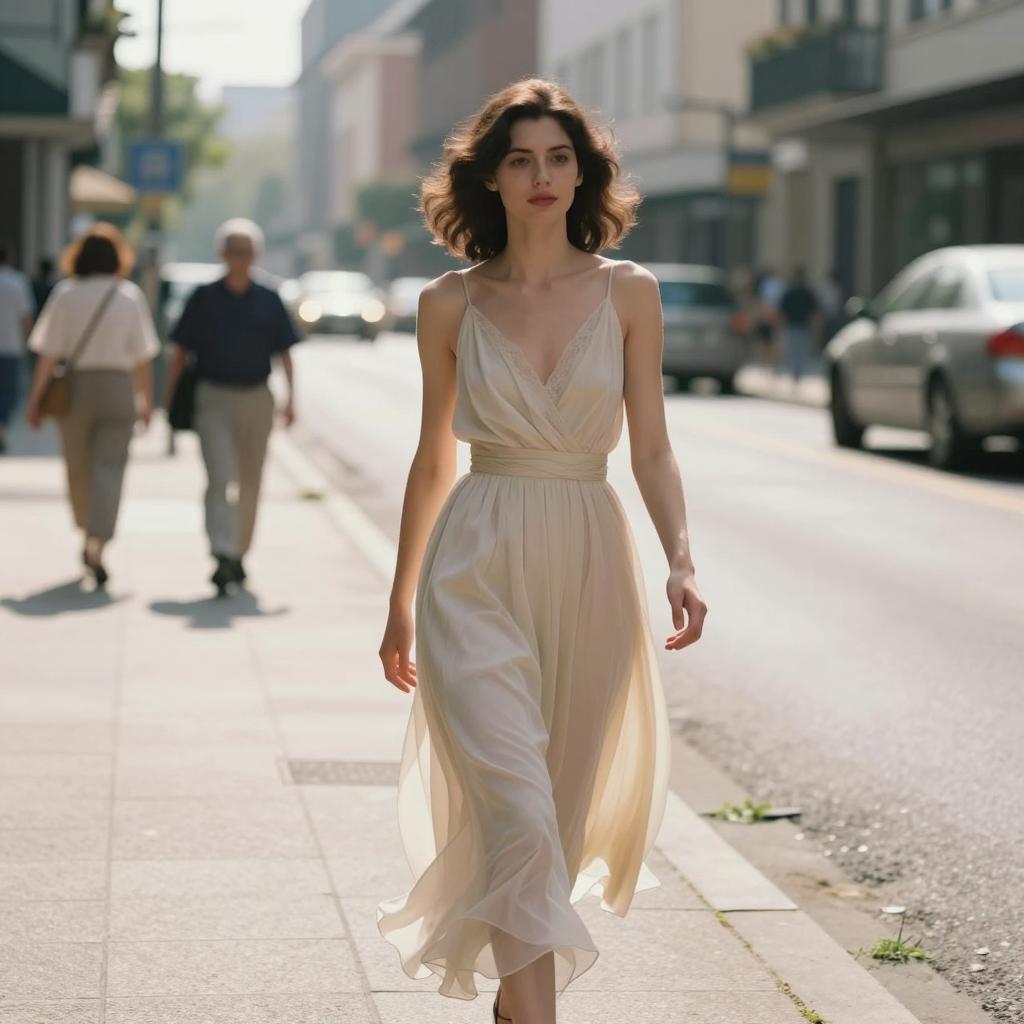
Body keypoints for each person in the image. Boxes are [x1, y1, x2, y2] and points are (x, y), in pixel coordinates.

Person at [376, 78, 707, 1024]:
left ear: (584, 172)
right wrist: (400, 599)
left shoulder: (631, 293)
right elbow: (432, 456)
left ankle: (516, 1011)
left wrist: (681, 558)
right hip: (475, 563)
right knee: (515, 809)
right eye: (520, 158)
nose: (541, 176)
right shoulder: (448, 304)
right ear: (491, 176)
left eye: (559, 157)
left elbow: (650, 447)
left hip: (592, 561)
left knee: (549, 829)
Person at [164, 218, 298, 594]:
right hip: (213, 398)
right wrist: (169, 399)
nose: (239, 258)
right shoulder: (204, 297)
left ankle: (239, 553)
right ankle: (221, 551)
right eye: (233, 251)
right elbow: (180, 352)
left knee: (251, 482)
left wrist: (292, 400)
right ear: (221, 254)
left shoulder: (269, 298)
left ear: (255, 255)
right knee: (219, 478)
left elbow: (286, 352)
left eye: (246, 252)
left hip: (257, 398)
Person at [24, 224, 158, 585]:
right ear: (118, 258)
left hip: (76, 390)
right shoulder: (128, 296)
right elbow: (142, 358)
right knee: (110, 469)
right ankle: (99, 539)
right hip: (118, 387)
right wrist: (147, 401)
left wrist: (35, 400)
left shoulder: (65, 295)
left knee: (78, 466)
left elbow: (48, 356)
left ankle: (88, 529)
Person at [0, 244, 35, 454]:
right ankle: (2, 427)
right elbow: (26, 317)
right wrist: (31, 341)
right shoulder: (17, 282)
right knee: (9, 393)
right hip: (12, 346)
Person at [778, 266, 822, 383]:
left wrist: (780, 325)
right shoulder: (808, 292)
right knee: (801, 350)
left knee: (793, 350)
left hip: (792, 325)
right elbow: (814, 311)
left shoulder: (789, 292)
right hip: (802, 325)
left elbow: (782, 311)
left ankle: (795, 372)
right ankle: (798, 372)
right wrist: (815, 326)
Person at [752, 266, 783, 369]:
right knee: (772, 339)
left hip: (766, 315)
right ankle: (770, 361)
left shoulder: (764, 285)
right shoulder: (779, 284)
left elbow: (760, 301)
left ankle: (765, 361)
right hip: (773, 315)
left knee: (764, 340)